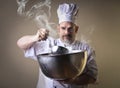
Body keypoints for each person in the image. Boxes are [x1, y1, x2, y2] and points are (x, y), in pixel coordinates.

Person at [17, 3, 98, 88]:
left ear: (76, 29)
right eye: (63, 28)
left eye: (70, 28)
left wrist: (74, 80)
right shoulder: (48, 44)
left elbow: (93, 77)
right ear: (58, 29)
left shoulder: (85, 49)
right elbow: (20, 43)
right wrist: (35, 37)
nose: (66, 32)